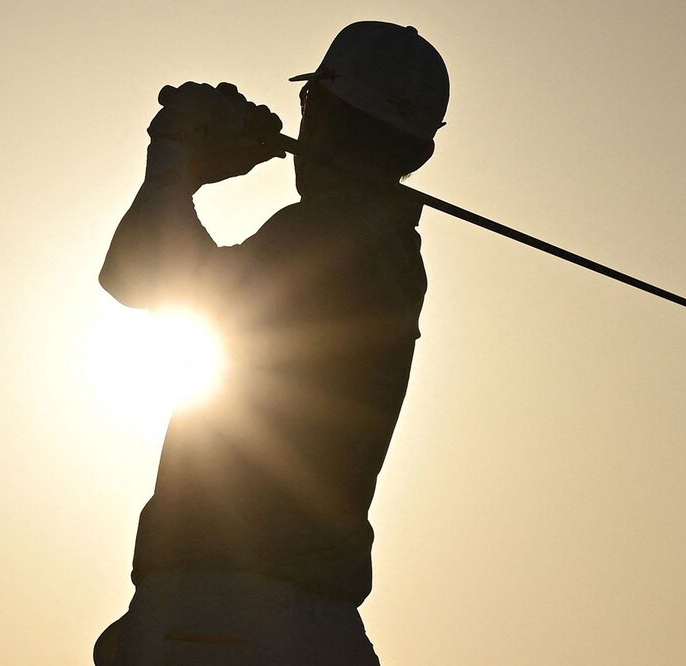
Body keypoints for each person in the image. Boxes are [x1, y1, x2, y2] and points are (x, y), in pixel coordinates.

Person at [93, 21, 449, 665]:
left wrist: (177, 156)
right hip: (315, 625)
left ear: (318, 111)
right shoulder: (385, 245)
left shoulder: (330, 235)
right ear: (417, 153)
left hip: (227, 611)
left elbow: (136, 272)